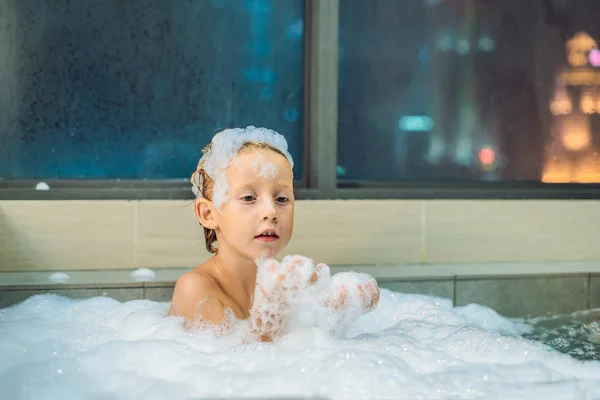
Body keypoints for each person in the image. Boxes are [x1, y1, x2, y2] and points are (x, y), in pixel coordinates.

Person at [168, 126, 379, 341]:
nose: (271, 211)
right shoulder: (195, 288)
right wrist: (269, 319)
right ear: (208, 214)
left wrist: (341, 309)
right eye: (249, 198)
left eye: (281, 199)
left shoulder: (280, 286)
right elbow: (234, 367)